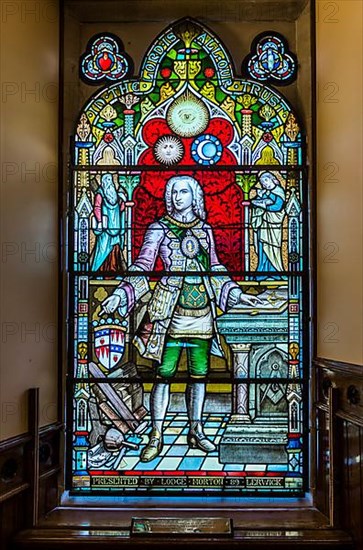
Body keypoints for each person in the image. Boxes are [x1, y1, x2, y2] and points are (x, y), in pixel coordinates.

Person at [102, 175, 261, 462]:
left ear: (195, 196)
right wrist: (121, 295)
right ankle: (156, 434)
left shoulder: (204, 231)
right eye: (172, 191)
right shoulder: (159, 229)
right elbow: (142, 265)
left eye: (183, 191)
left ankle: (196, 431)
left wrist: (237, 294)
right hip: (169, 313)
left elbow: (215, 267)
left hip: (201, 313)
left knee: (199, 375)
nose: (177, 196)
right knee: (164, 376)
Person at [251, 171, 285, 275]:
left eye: (266, 180)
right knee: (263, 247)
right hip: (264, 224)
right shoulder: (265, 192)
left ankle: (276, 272)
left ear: (273, 179)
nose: (265, 184)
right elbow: (255, 201)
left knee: (273, 248)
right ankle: (262, 271)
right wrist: (258, 199)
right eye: (262, 183)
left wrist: (263, 205)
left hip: (274, 225)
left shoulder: (279, 191)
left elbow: (278, 207)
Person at [91, 173, 126, 272]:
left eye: (110, 180)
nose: (108, 183)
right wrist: (100, 221)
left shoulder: (115, 195)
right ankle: (100, 271)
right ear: (102, 182)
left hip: (116, 228)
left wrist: (123, 202)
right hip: (105, 229)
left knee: (115, 251)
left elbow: (120, 208)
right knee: (103, 250)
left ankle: (113, 271)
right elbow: (97, 208)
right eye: (106, 180)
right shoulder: (100, 194)